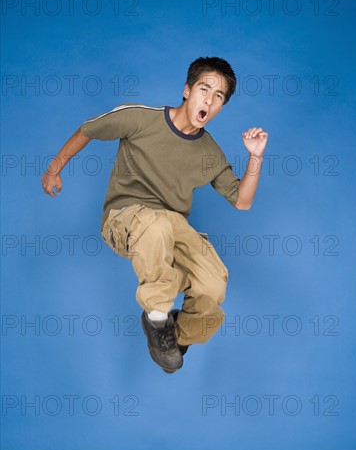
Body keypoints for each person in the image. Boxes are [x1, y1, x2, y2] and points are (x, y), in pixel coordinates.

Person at [41, 56, 268, 373]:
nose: (210, 100)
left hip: (172, 227)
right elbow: (89, 129)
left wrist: (255, 158)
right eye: (205, 89)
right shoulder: (140, 118)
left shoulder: (210, 153)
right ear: (187, 90)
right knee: (158, 222)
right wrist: (54, 169)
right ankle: (157, 317)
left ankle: (174, 336)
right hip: (124, 218)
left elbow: (242, 202)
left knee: (214, 284)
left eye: (219, 97)